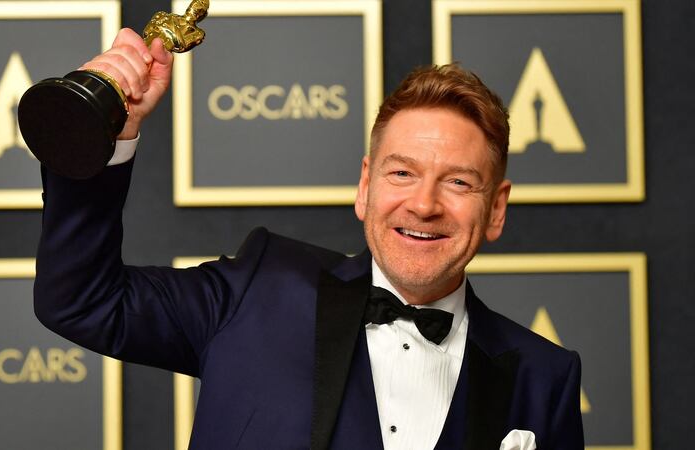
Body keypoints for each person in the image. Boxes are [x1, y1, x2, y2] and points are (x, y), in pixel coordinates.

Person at [34, 29, 584, 449]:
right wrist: (100, 128)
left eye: (459, 182)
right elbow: (82, 301)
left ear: (496, 209)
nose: (424, 203)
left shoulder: (544, 377)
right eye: (401, 173)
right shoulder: (258, 288)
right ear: (365, 186)